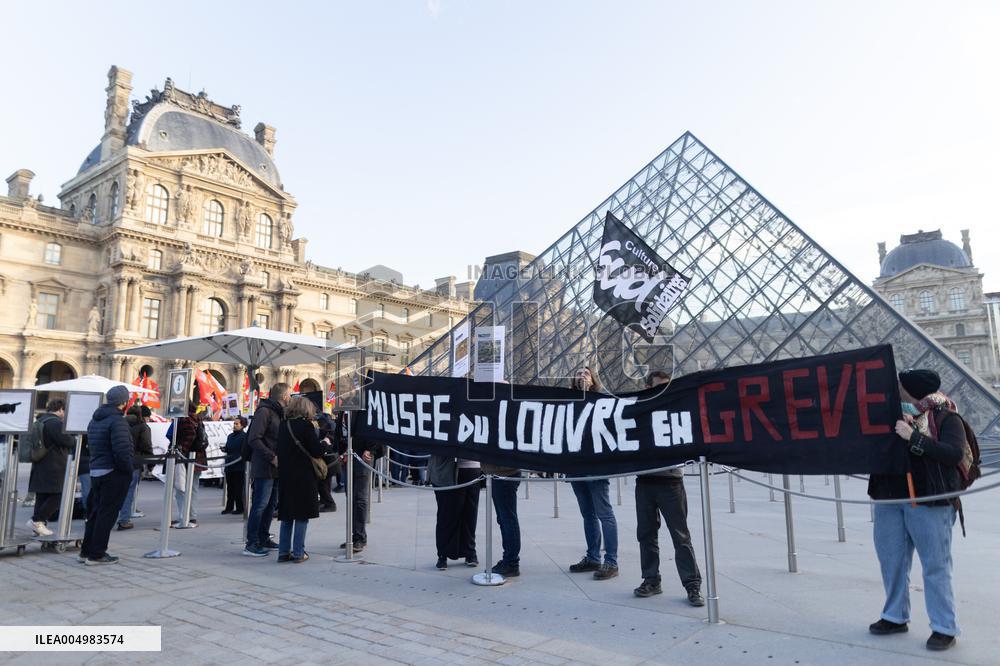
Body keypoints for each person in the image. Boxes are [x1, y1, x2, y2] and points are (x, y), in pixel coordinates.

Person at [868, 368, 966, 651]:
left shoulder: (947, 417)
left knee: (935, 565)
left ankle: (944, 627)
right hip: (888, 498)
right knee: (891, 562)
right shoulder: (888, 417)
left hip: (929, 501)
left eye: (901, 385)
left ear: (912, 390)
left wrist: (914, 437)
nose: (895, 387)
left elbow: (954, 454)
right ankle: (894, 616)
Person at [633, 370, 703, 606]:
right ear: (647, 387)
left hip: (671, 482)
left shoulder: (677, 409)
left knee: (680, 536)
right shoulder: (639, 411)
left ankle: (692, 585)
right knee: (646, 534)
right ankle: (651, 580)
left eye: (667, 386)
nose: (664, 390)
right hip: (645, 481)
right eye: (659, 386)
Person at [567, 366, 619, 580]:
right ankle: (593, 557)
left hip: (596, 466)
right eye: (578, 373)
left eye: (586, 373)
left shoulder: (602, 401)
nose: (582, 376)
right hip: (575, 466)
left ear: (593, 379)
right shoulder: (567, 402)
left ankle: (611, 561)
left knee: (604, 514)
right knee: (588, 514)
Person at [79, 385, 134, 565]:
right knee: (107, 514)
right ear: (124, 402)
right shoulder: (117, 421)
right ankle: (97, 554)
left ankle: (86, 551)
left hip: (97, 470)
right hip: (113, 472)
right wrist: (127, 469)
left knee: (95, 513)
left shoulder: (95, 419)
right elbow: (122, 450)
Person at [275, 396, 327, 562]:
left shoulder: (284, 425)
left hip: (286, 475)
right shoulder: (306, 426)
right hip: (304, 476)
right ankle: (298, 552)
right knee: (302, 515)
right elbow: (316, 451)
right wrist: (325, 443)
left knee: (287, 515)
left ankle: (283, 552)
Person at [243, 383, 290, 557]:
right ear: (283, 396)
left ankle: (263, 537)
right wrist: (271, 456)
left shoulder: (278, 412)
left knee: (271, 505)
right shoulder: (264, 412)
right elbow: (254, 439)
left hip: (276, 467)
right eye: (290, 394)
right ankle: (251, 542)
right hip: (264, 466)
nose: (291, 397)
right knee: (260, 505)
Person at [26, 399, 76, 537]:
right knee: (58, 495)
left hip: (41, 463)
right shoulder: (55, 423)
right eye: (65, 411)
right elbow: (67, 441)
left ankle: (38, 527)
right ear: (60, 409)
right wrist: (74, 438)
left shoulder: (41, 420)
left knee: (42, 496)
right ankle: (37, 520)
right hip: (54, 465)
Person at [333, 411, 379, 552]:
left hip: (362, 457)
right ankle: (354, 536)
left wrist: (370, 449)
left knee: (360, 498)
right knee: (351, 498)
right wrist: (340, 452)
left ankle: (359, 537)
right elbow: (339, 434)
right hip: (347, 457)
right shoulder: (343, 412)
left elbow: (373, 429)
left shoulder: (363, 409)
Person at [429, 454, 480, 570]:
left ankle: (469, 551)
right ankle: (443, 554)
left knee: (470, 515)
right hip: (446, 470)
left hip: (472, 467)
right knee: (446, 515)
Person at [117, 404, 152, 530]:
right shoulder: (143, 426)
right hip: (134, 462)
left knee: (117, 490)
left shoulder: (120, 424)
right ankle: (124, 519)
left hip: (118, 461)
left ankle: (112, 517)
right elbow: (146, 445)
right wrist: (150, 464)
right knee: (129, 491)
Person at [483, 460, 521, 577]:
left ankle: (511, 562)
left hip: (503, 474)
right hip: (500, 473)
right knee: (505, 519)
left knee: (507, 520)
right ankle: (510, 560)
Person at [173, 402, 207, 526]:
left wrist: (182, 450)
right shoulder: (198, 418)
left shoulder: (186, 419)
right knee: (193, 488)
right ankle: (191, 515)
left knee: (182, 488)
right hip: (198, 458)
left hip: (188, 458)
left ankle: (186, 516)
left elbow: (190, 436)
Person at [222, 417, 247, 514]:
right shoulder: (230, 436)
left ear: (242, 425)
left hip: (239, 466)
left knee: (238, 488)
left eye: (237, 424)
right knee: (230, 488)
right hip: (229, 465)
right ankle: (229, 507)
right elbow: (228, 447)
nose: (235, 425)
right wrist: (225, 449)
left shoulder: (244, 436)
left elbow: (243, 451)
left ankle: (240, 508)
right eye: (234, 423)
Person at [315, 412, 338, 512]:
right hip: (330, 462)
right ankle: (324, 501)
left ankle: (329, 503)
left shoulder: (327, 435)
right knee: (325, 484)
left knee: (322, 484)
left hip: (328, 463)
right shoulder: (330, 432)